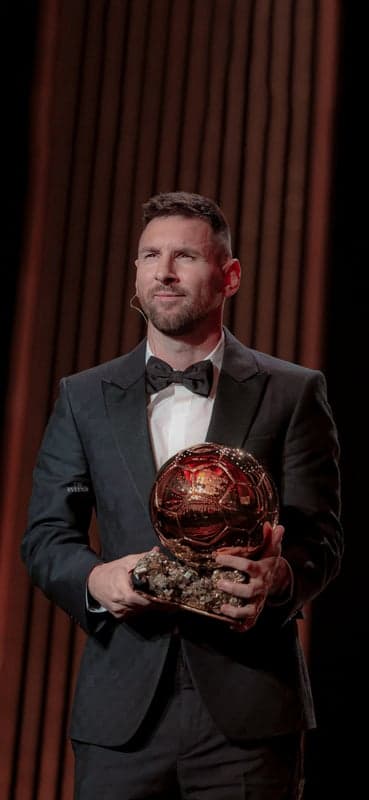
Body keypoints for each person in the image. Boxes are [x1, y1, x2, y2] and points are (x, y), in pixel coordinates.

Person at [21, 191, 343, 799]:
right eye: (150, 255)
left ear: (230, 276)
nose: (163, 271)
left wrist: (279, 578)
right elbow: (45, 536)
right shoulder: (83, 397)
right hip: (121, 714)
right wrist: (97, 582)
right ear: (137, 273)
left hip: (249, 714)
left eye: (184, 257)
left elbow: (321, 539)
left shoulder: (293, 392)